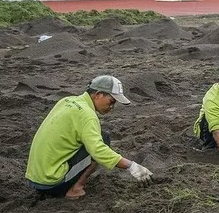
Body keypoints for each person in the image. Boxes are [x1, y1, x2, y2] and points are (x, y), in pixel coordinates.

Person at [25, 76, 153, 199]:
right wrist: (131, 166)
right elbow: (98, 150)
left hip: (34, 178)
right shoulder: (87, 115)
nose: (112, 107)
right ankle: (75, 189)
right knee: (103, 139)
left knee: (91, 138)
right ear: (98, 94)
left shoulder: (66, 101)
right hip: (52, 183)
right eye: (111, 101)